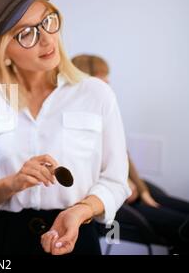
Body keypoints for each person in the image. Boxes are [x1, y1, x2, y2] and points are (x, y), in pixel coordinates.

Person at [0, 0, 131, 255]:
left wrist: (81, 211)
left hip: (77, 233)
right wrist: (14, 182)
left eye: (48, 21)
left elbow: (116, 181)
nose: (46, 39)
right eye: (26, 33)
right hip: (9, 239)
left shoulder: (96, 94)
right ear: (5, 52)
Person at [73, 54, 189, 254]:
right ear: (87, 79)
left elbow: (123, 157)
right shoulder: (75, 125)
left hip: (132, 194)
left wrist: (143, 190)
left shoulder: (103, 114)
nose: (108, 81)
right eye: (102, 76)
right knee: (183, 227)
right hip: (117, 204)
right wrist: (122, 184)